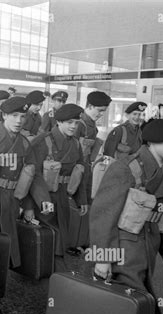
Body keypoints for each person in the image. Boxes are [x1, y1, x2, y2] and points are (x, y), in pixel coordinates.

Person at [91, 117, 163, 314]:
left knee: (134, 300)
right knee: (136, 299)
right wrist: (101, 258)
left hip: (149, 245)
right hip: (124, 248)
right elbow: (102, 215)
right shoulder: (125, 168)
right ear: (152, 140)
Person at [0, 96, 52, 314]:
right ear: (3, 115)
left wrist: (37, 202)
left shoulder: (24, 143)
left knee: (2, 249)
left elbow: (33, 173)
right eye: (14, 115)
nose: (19, 120)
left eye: (23, 116)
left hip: (11, 202)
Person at [24, 104, 88, 272]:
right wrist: (29, 207)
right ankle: (57, 272)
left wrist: (82, 201)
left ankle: (53, 271)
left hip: (63, 198)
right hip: (43, 198)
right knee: (51, 235)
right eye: (69, 122)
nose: (73, 126)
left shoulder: (76, 144)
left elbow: (80, 171)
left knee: (60, 235)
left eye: (76, 122)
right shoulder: (42, 141)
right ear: (58, 122)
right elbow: (32, 176)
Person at [66, 91, 112, 256]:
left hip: (87, 170)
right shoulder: (79, 124)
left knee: (85, 204)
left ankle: (81, 240)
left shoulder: (92, 125)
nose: (101, 114)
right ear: (89, 106)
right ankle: (72, 242)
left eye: (103, 111)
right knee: (75, 205)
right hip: (76, 171)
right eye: (99, 110)